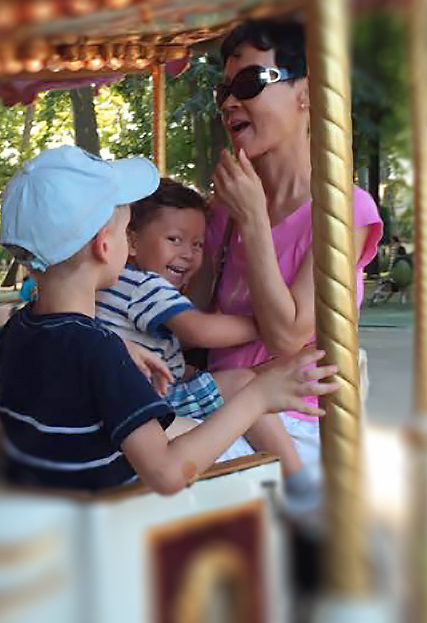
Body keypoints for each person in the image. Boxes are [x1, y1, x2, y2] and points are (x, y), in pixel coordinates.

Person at [0, 145, 339, 493]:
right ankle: (303, 495)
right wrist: (258, 397)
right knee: (240, 458)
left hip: (47, 497)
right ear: (104, 245)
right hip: (111, 509)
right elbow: (166, 474)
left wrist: (121, 346)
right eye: (125, 230)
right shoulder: (102, 352)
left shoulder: (17, 329)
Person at [190, 18, 383, 484]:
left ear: (307, 93)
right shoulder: (223, 210)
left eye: (249, 83)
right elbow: (192, 320)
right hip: (219, 405)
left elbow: (287, 338)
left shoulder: (343, 210)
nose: (230, 102)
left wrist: (254, 221)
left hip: (293, 423)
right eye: (224, 91)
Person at [96, 178, 323, 512]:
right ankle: (297, 478)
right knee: (243, 383)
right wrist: (269, 325)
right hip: (150, 400)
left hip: (136, 393)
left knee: (224, 379)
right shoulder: (143, 285)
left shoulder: (116, 284)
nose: (187, 254)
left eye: (198, 244)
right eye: (174, 239)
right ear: (132, 242)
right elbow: (199, 330)